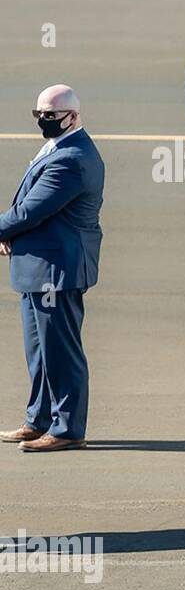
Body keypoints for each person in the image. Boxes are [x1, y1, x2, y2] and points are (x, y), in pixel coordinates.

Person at [0, 85, 104, 452]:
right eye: (39, 114)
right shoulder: (58, 147)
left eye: (50, 115)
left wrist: (5, 230)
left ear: (72, 116)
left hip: (55, 272)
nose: (43, 121)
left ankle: (67, 429)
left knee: (60, 353)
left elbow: (31, 210)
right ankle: (38, 419)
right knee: (39, 352)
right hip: (38, 268)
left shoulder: (71, 158)